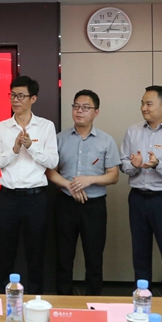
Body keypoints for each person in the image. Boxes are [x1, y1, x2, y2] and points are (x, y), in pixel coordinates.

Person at [0, 76, 58, 294]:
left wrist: (31, 146)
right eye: (12, 95)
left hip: (35, 198)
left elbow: (52, 162)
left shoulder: (45, 126)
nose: (15, 100)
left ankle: (36, 299)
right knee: (5, 253)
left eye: (21, 96)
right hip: (7, 198)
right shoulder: (0, 128)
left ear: (33, 98)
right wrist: (14, 150)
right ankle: (3, 299)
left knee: (36, 253)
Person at [46, 90, 119, 295]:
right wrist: (69, 185)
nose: (79, 111)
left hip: (94, 207)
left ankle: (93, 304)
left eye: (85, 108)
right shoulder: (59, 139)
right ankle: (63, 304)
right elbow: (50, 171)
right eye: (76, 106)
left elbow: (113, 176)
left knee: (94, 259)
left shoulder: (106, 141)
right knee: (64, 258)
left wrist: (90, 180)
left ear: (96, 112)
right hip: (65, 204)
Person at [120, 85, 162, 297]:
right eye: (142, 103)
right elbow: (124, 164)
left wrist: (158, 164)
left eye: (149, 104)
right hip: (137, 198)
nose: (144, 108)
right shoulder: (133, 131)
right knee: (140, 253)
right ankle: (142, 298)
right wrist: (135, 165)